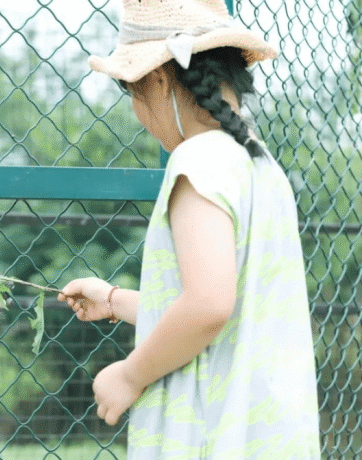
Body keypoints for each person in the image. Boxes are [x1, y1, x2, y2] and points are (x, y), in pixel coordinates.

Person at [57, 0, 322, 458]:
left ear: (157, 79)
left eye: (131, 92)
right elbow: (225, 306)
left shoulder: (198, 160)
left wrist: (130, 374)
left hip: (211, 440)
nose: (139, 114)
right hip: (269, 436)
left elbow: (208, 304)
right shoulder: (260, 167)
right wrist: (116, 301)